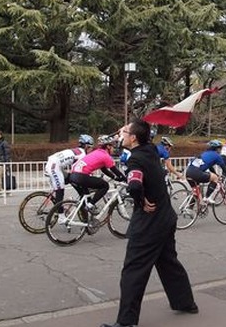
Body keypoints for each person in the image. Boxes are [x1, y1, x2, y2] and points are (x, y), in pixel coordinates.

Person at [100, 119, 197, 327]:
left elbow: (134, 185)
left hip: (149, 223)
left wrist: (141, 200)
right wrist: (129, 128)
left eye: (125, 132)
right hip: (167, 217)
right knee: (168, 263)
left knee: (133, 270)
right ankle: (186, 303)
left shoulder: (135, 159)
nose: (120, 135)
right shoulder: (151, 149)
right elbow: (140, 134)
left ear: (134, 138)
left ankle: (126, 322)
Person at [69, 135, 126, 212]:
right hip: (81, 176)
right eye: (113, 146)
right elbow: (115, 170)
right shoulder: (105, 156)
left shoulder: (97, 152)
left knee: (86, 195)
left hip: (73, 175)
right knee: (105, 185)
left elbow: (104, 170)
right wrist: (124, 178)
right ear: (108, 146)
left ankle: (86, 218)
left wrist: (115, 178)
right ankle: (90, 206)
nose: (114, 149)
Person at [44, 134, 94, 207]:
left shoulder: (78, 151)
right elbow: (79, 170)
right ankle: (60, 216)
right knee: (60, 190)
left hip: (54, 164)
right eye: (90, 148)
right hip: (54, 167)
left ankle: (73, 201)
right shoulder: (82, 154)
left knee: (71, 179)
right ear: (86, 146)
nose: (91, 150)